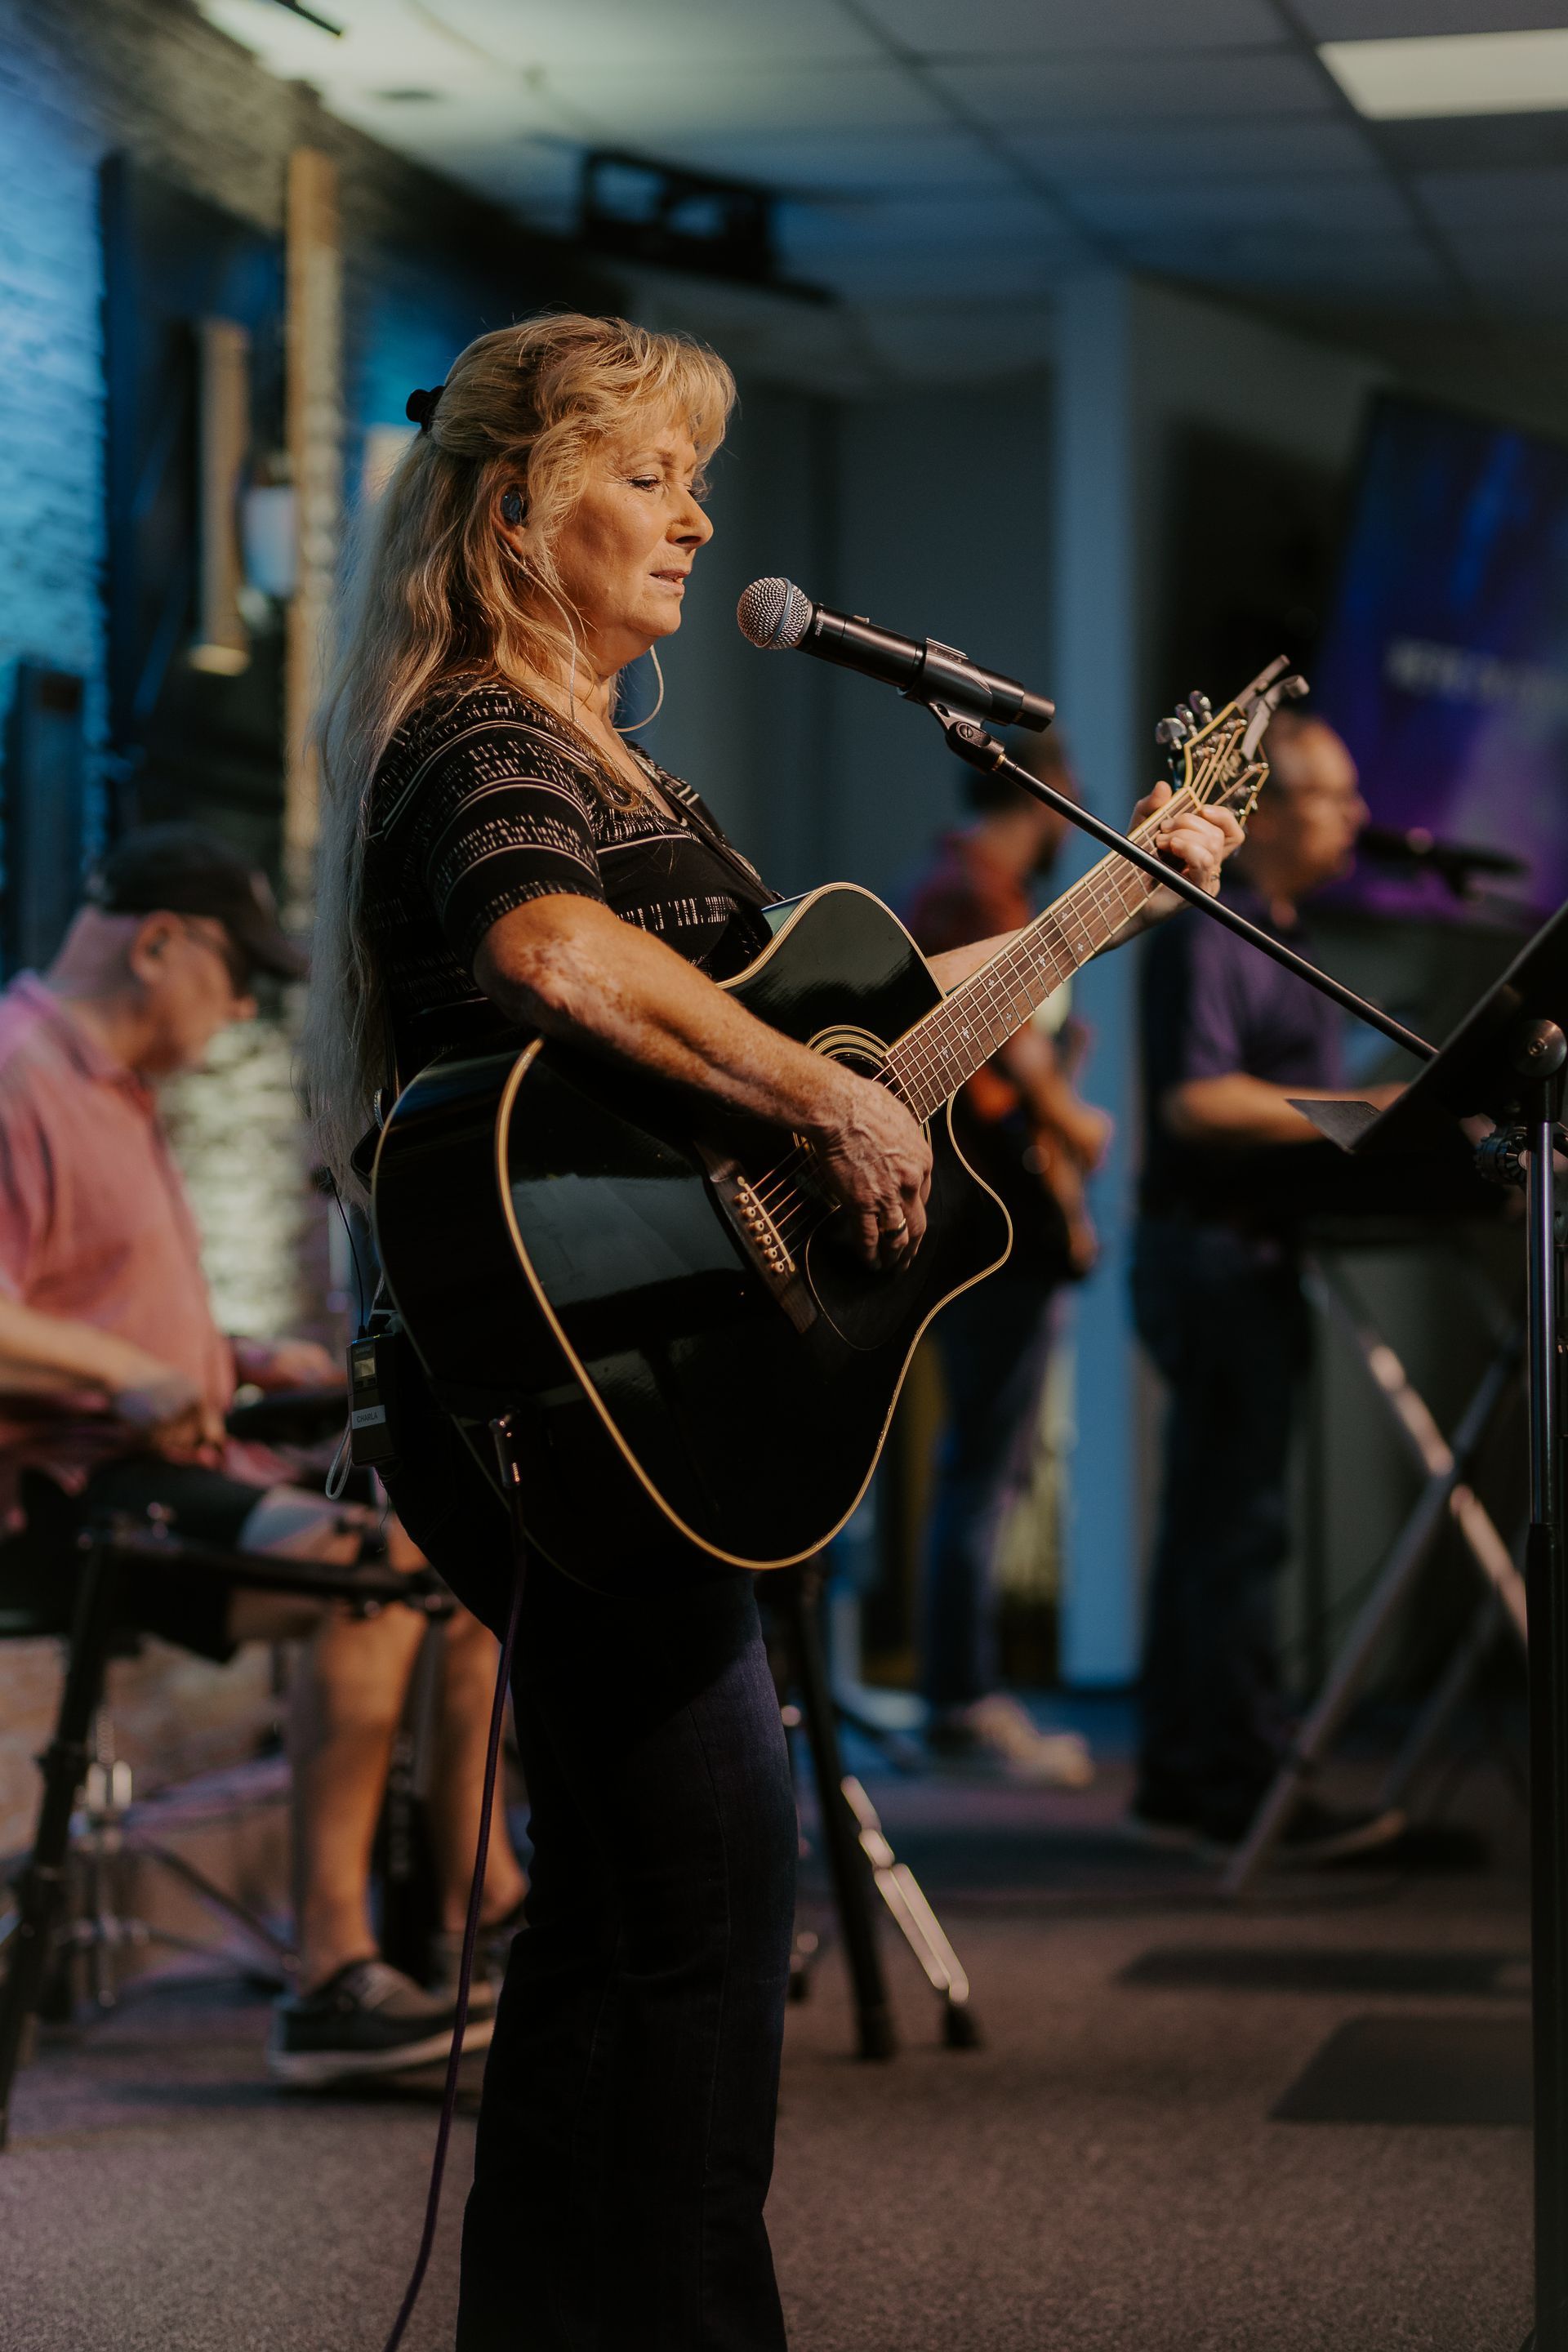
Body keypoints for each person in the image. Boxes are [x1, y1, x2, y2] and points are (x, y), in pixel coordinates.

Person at [302, 311, 1238, 2352]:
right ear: (515, 504)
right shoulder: (484, 739)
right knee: (711, 1913)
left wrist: (1105, 909)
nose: (692, 515)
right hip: (573, 1365)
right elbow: (545, 947)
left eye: (691, 475)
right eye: (644, 474)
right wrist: (814, 1097)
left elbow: (878, 1031)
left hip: (647, 1375)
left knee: (623, 1914)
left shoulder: (625, 750)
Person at [0, 824, 528, 2085]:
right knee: (374, 1577)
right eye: (234, 974)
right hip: (53, 1497)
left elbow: (82, 1305)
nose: (241, 1006)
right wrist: (129, 1374)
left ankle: (480, 1915)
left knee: (447, 1559)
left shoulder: (108, 1088)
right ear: (159, 942)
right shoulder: (22, 1069)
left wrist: (232, 1357)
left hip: (144, 1469)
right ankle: (331, 1977)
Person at [1127, 709, 1405, 1859]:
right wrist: (1365, 1117)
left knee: (1225, 1522)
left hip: (1250, 1256)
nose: (1359, 817)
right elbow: (1194, 1102)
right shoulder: (1213, 932)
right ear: (1274, 810)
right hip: (1211, 1257)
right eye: (1336, 796)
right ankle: (1225, 1782)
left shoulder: (1278, 930)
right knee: (1232, 1526)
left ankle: (1200, 1771)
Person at [899, 733, 1112, 1782]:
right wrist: (1073, 1115)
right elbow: (999, 1048)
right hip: (991, 1224)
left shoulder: (976, 886)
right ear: (1047, 796)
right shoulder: (970, 891)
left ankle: (964, 1696)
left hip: (1013, 1218)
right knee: (982, 1465)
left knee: (990, 1463)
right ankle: (961, 1702)